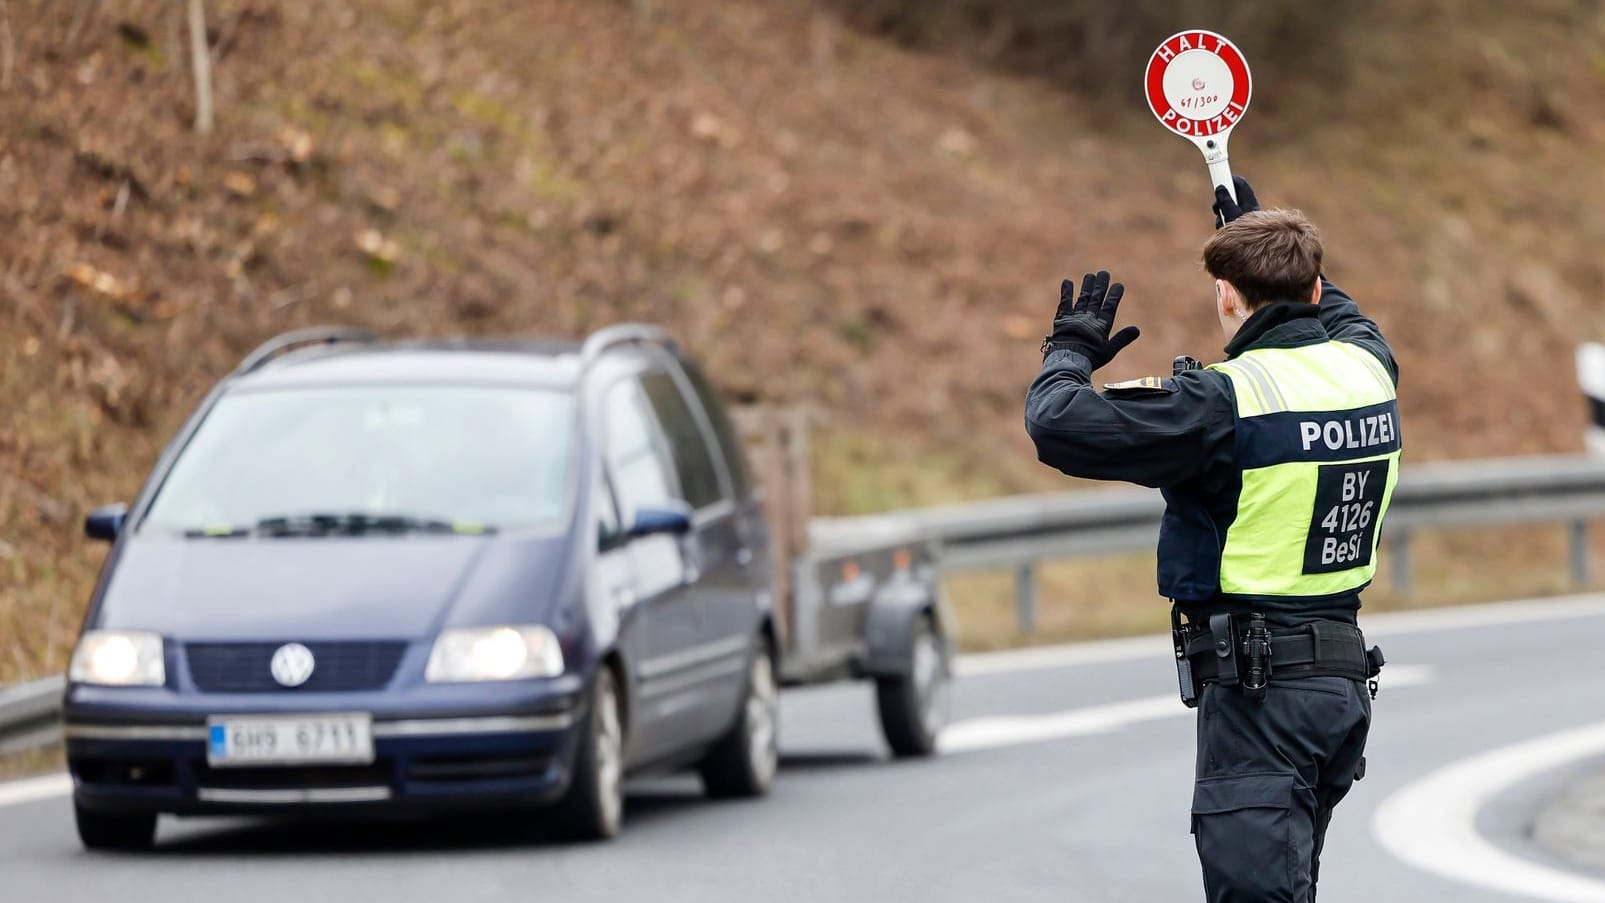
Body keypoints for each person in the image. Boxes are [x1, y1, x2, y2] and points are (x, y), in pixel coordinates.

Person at [1024, 176, 1397, 902]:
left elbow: (1057, 424)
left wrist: (1068, 348)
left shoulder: (1224, 402)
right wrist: (1261, 230)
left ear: (1225, 296)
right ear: (1315, 290)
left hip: (1261, 702)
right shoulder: (1367, 368)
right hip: (1338, 692)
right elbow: (1342, 310)